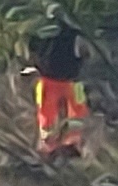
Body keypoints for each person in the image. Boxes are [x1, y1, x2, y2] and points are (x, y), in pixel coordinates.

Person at [26, 15, 89, 161]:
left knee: (46, 112)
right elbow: (85, 53)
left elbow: (33, 49)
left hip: (48, 80)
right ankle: (71, 141)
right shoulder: (77, 36)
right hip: (71, 81)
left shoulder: (45, 32)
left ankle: (48, 144)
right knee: (77, 111)